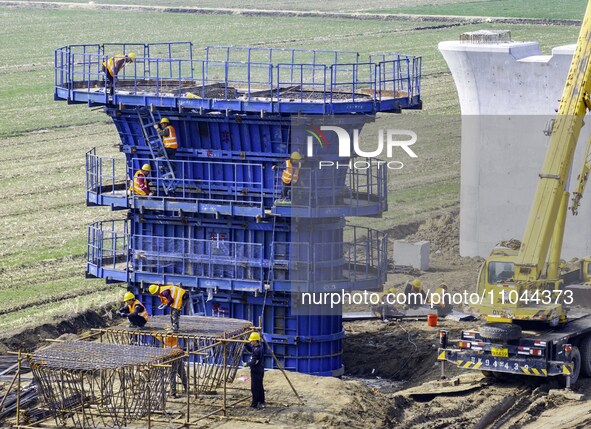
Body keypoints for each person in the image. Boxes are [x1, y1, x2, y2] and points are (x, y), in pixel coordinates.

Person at [244, 332, 265, 409]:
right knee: (259, 387)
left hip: (256, 371)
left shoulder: (257, 350)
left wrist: (247, 364)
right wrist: (246, 345)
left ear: (256, 341)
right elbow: (251, 349)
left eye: (252, 341)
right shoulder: (258, 347)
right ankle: (261, 401)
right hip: (260, 370)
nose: (251, 342)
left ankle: (254, 405)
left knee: (254, 388)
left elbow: (254, 362)